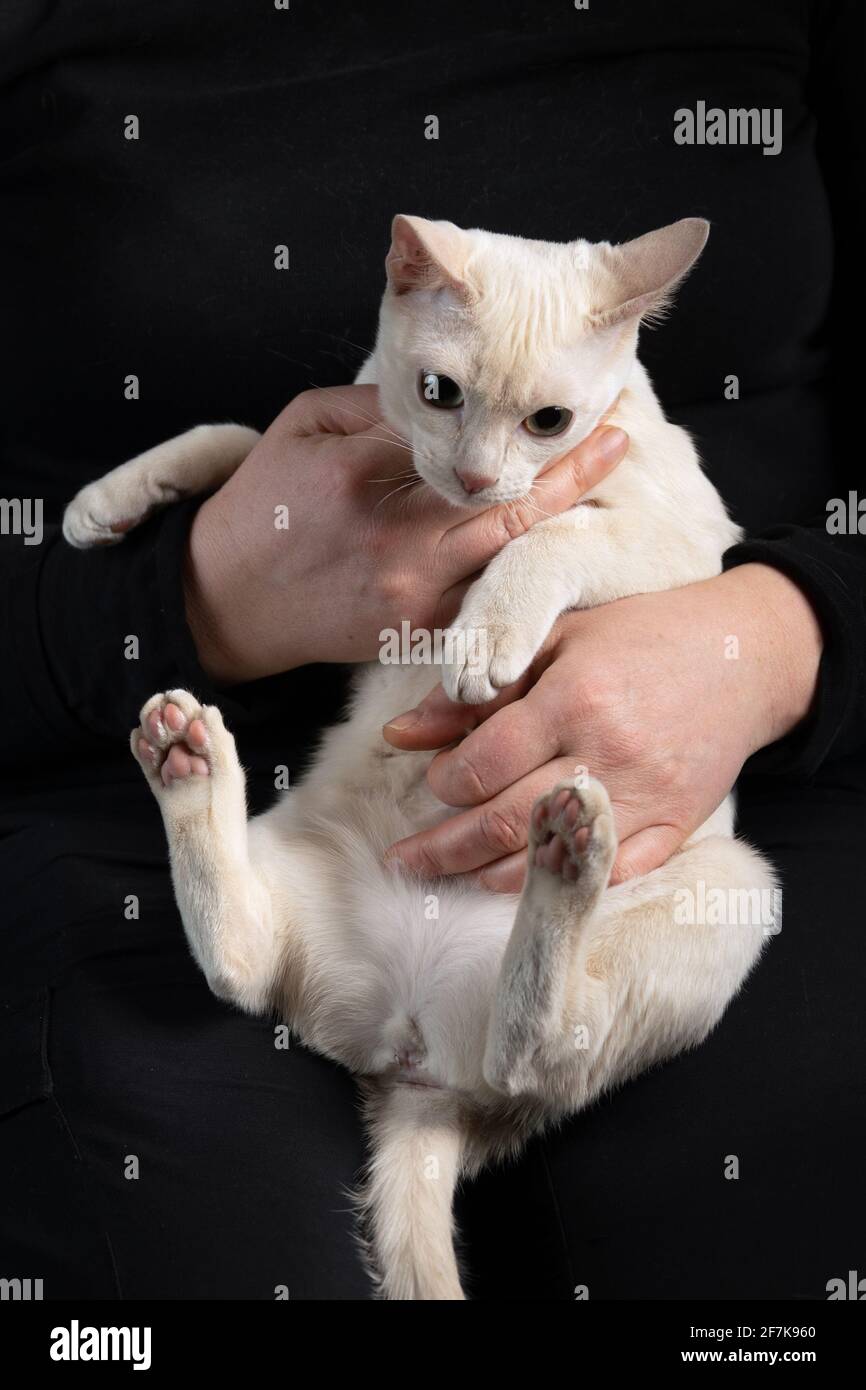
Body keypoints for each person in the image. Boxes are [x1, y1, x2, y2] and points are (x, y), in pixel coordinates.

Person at [1, 0, 863, 1299]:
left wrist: (782, 633)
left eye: (539, 426)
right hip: (289, 819)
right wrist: (190, 583)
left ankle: (541, 968)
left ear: (628, 338)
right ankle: (236, 894)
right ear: (404, 278)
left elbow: (636, 541)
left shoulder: (619, 418)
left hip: (706, 804)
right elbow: (296, 480)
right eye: (442, 399)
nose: (475, 468)